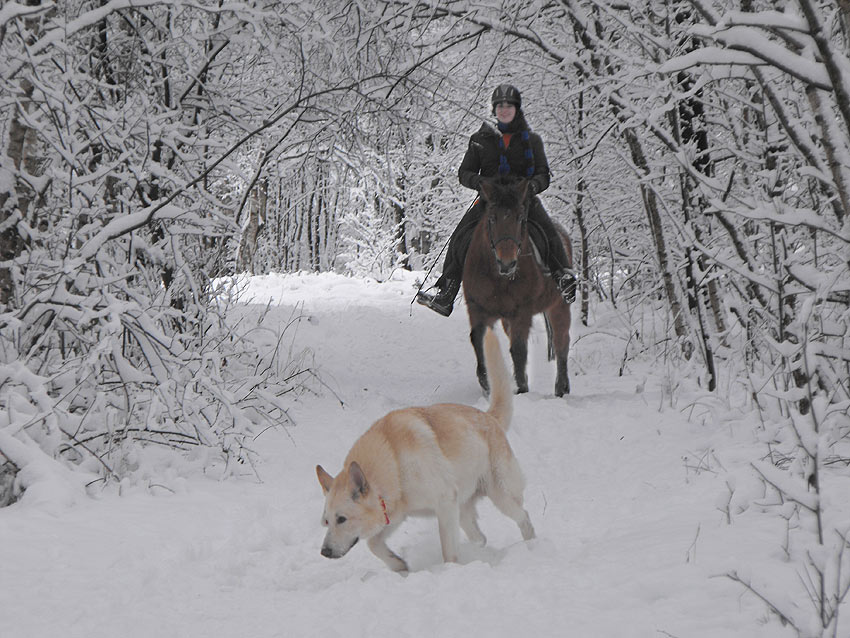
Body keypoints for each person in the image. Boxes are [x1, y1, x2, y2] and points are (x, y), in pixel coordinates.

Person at [416, 83, 576, 317]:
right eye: (500, 106)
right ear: (494, 109)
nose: (504, 110)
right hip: (490, 203)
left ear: (516, 109)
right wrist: (479, 183)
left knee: (547, 230)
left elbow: (544, 174)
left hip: (523, 201)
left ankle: (563, 276)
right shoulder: (479, 139)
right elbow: (465, 172)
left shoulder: (532, 140)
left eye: (509, 106)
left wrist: (532, 186)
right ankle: (447, 292)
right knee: (460, 236)